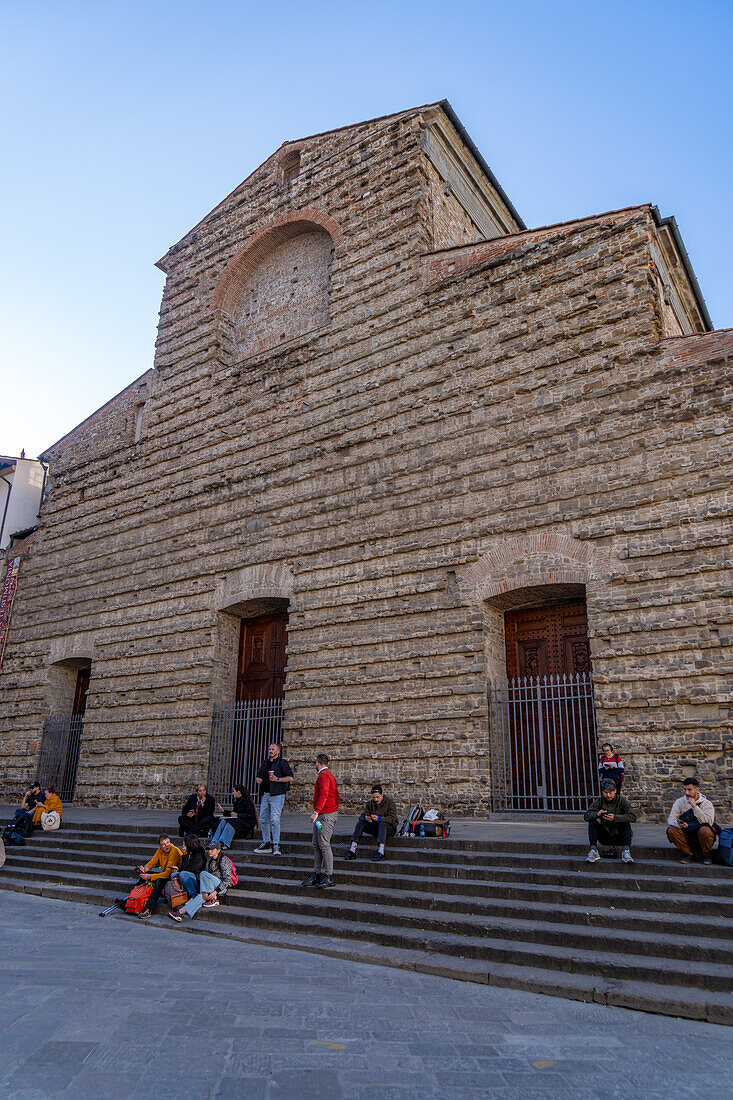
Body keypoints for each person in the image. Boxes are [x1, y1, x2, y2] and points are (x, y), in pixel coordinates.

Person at [168, 840, 233, 922]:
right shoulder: (209, 861)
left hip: (220, 886)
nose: (209, 851)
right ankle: (180, 913)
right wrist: (205, 892)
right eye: (209, 849)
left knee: (203, 875)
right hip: (210, 886)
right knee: (202, 895)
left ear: (218, 850)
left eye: (212, 849)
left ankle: (212, 898)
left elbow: (227, 880)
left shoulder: (224, 860)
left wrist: (215, 892)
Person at [302, 753, 340, 889]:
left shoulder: (324, 775)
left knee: (323, 844)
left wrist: (316, 811)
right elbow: (336, 795)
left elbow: (324, 794)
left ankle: (329, 876)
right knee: (316, 844)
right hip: (324, 815)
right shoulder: (328, 775)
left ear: (317, 763)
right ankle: (317, 874)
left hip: (325, 816)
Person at [253, 743, 294, 855]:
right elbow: (259, 775)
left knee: (274, 819)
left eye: (273, 749)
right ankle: (266, 842)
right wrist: (258, 779)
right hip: (266, 794)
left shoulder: (282, 763)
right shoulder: (265, 763)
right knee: (262, 819)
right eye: (269, 749)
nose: (270, 751)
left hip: (277, 794)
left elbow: (290, 778)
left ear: (278, 751)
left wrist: (277, 779)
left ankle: (276, 845)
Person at [584, 779, 637, 864]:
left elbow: (633, 817)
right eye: (605, 792)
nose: (608, 795)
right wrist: (597, 814)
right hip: (605, 836)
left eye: (610, 792)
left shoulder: (622, 801)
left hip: (620, 836)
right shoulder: (600, 801)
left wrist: (616, 818)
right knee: (592, 821)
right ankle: (593, 850)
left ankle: (626, 851)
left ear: (615, 791)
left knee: (626, 822)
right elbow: (586, 816)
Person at [667, 777, 716, 865]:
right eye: (685, 790)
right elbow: (671, 819)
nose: (686, 793)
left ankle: (706, 855)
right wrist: (679, 824)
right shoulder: (680, 802)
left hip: (702, 837)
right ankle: (688, 854)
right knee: (671, 830)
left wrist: (695, 807)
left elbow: (708, 823)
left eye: (689, 790)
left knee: (705, 830)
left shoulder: (706, 803)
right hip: (686, 835)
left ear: (697, 789)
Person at [345, 784, 398, 862]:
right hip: (376, 828)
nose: (376, 799)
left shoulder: (390, 802)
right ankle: (352, 850)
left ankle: (381, 852)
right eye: (374, 797)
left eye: (377, 797)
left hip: (389, 828)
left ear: (382, 795)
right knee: (360, 823)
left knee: (382, 824)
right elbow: (362, 816)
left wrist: (379, 819)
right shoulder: (370, 803)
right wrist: (365, 818)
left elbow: (393, 819)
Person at [137, 834, 182, 918]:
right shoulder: (160, 851)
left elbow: (167, 874)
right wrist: (145, 869)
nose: (166, 845)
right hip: (165, 874)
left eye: (168, 842)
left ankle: (148, 909)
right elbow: (152, 862)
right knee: (143, 877)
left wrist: (150, 877)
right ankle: (132, 900)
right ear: (160, 846)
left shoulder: (174, 851)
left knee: (159, 881)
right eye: (163, 844)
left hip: (174, 876)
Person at [209, 784, 257, 849]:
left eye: (234, 791)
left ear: (238, 791)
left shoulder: (247, 801)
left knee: (230, 823)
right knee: (224, 821)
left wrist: (238, 815)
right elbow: (233, 813)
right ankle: (214, 841)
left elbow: (250, 815)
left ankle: (224, 842)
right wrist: (224, 811)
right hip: (238, 822)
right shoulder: (237, 802)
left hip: (245, 823)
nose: (232, 793)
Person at [164, 834, 206, 906]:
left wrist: (185, 855)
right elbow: (184, 868)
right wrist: (178, 869)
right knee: (174, 875)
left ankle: (194, 896)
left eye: (184, 845)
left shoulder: (199, 855)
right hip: (188, 875)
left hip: (197, 879)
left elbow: (189, 870)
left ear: (190, 845)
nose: (182, 846)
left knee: (183, 874)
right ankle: (180, 894)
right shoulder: (190, 853)